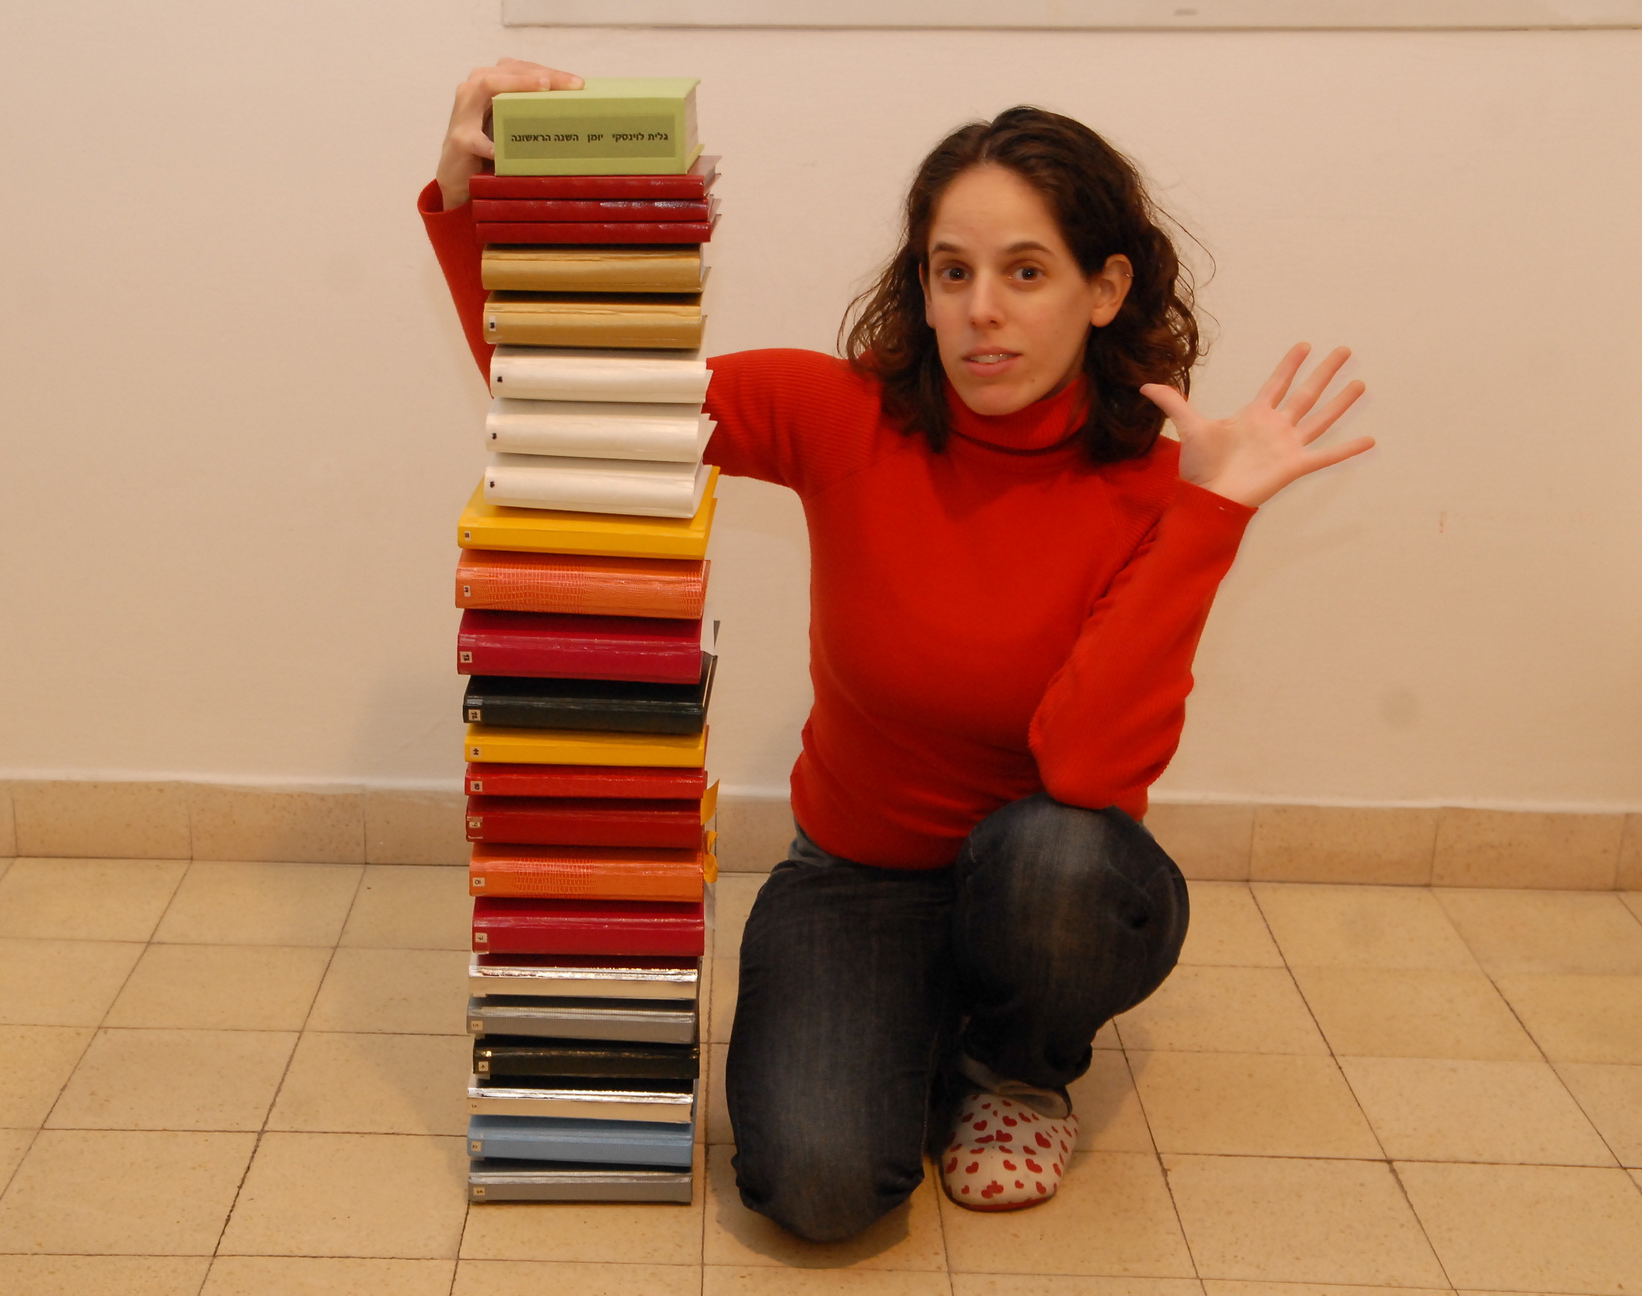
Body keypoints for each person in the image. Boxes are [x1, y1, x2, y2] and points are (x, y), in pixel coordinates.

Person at [422, 59, 1372, 1242]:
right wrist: (465, 202)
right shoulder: (840, 415)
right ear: (920, 288)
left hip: (1042, 879)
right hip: (856, 876)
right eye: (951, 270)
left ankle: (1016, 1065)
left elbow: (1083, 768)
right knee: (817, 1190)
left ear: (1104, 287)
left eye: (1026, 272)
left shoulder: (1156, 489)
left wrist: (1208, 517)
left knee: (1057, 857)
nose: (983, 309)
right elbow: (573, 396)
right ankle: (921, 1031)